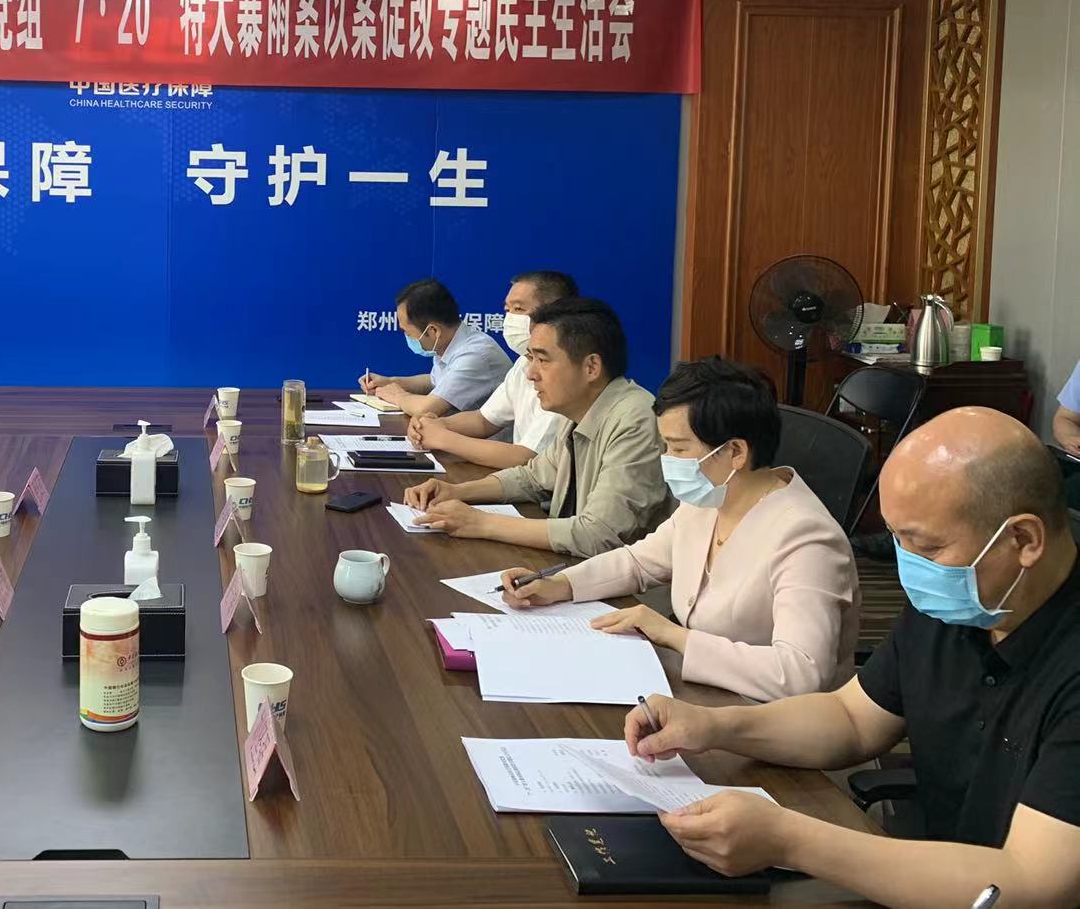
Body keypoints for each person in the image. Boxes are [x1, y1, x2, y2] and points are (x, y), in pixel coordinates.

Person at [626, 408, 1080, 909]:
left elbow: (1031, 883)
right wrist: (713, 726)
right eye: (898, 540)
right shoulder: (967, 601)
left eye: (926, 546)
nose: (909, 566)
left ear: (1024, 540)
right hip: (931, 876)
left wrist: (787, 840)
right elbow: (853, 719)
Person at [500, 358, 860, 702]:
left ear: (735, 451)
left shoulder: (806, 537)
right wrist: (560, 585)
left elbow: (800, 674)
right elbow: (639, 562)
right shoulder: (712, 497)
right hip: (706, 694)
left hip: (771, 717)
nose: (667, 460)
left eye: (679, 447)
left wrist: (674, 636)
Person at [403, 297, 667, 556]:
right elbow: (532, 478)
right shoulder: (578, 408)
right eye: (531, 359)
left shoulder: (635, 419)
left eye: (543, 360)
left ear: (591, 367)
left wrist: (481, 522)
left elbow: (597, 534)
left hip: (626, 582)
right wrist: (456, 492)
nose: (530, 373)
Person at [407, 270, 574, 471]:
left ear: (555, 313)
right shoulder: (523, 363)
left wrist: (443, 438)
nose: (510, 318)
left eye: (519, 309)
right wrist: (436, 425)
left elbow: (527, 458)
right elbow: (484, 420)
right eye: (507, 310)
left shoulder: (567, 374)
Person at [358, 278, 510, 418]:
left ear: (433, 331)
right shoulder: (449, 342)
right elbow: (434, 382)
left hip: (488, 439)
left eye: (407, 332)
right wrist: (390, 382)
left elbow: (427, 409)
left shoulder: (474, 355)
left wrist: (399, 396)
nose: (407, 337)